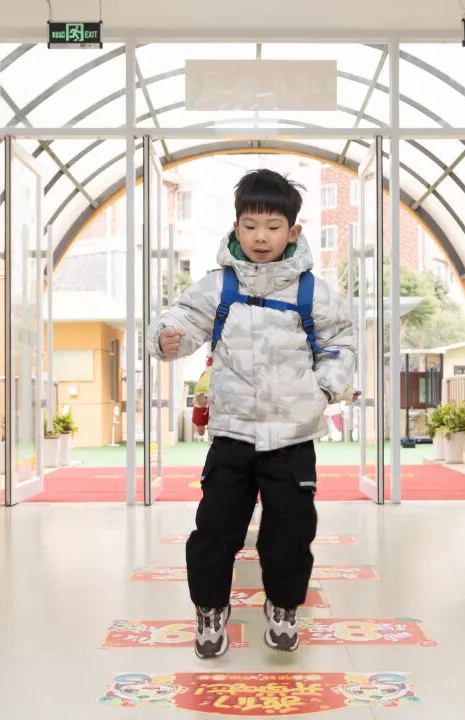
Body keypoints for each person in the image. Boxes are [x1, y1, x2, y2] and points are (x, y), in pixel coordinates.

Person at [148, 168, 356, 658]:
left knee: (290, 534)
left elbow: (340, 343)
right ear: (236, 228)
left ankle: (283, 606)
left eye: (273, 227)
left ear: (293, 232)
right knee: (215, 530)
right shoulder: (218, 286)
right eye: (251, 226)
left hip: (292, 438)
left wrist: (324, 389)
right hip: (232, 434)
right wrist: (166, 337)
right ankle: (210, 609)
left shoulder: (312, 291)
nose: (261, 237)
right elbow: (182, 318)